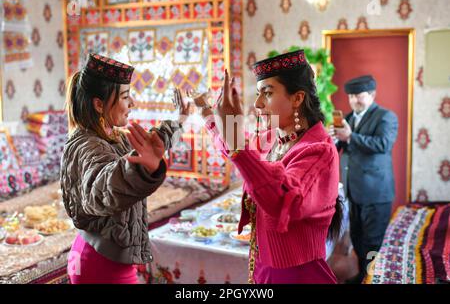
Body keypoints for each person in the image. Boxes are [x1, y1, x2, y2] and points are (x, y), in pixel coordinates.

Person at [185, 50, 343, 284]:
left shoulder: (319, 150)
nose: (258, 104)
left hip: (297, 276)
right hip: (264, 270)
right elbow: (232, 147)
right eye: (259, 94)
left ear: (297, 98)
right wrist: (206, 110)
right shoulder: (273, 139)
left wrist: (236, 139)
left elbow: (282, 201)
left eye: (267, 93)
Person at [60, 53, 189, 284]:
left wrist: (179, 121)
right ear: (99, 104)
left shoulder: (114, 137)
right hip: (100, 265)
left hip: (105, 258)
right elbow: (102, 186)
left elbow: (152, 144)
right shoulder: (86, 145)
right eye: (126, 97)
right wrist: (142, 169)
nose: (132, 104)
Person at [330, 75, 398, 284]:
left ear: (372, 95)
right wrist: (332, 140)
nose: (353, 101)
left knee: (373, 241)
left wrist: (350, 137)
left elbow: (383, 144)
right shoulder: (349, 118)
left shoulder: (386, 117)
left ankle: (373, 278)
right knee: (358, 238)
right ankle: (363, 275)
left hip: (376, 193)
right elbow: (340, 148)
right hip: (353, 190)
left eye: (358, 96)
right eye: (350, 96)